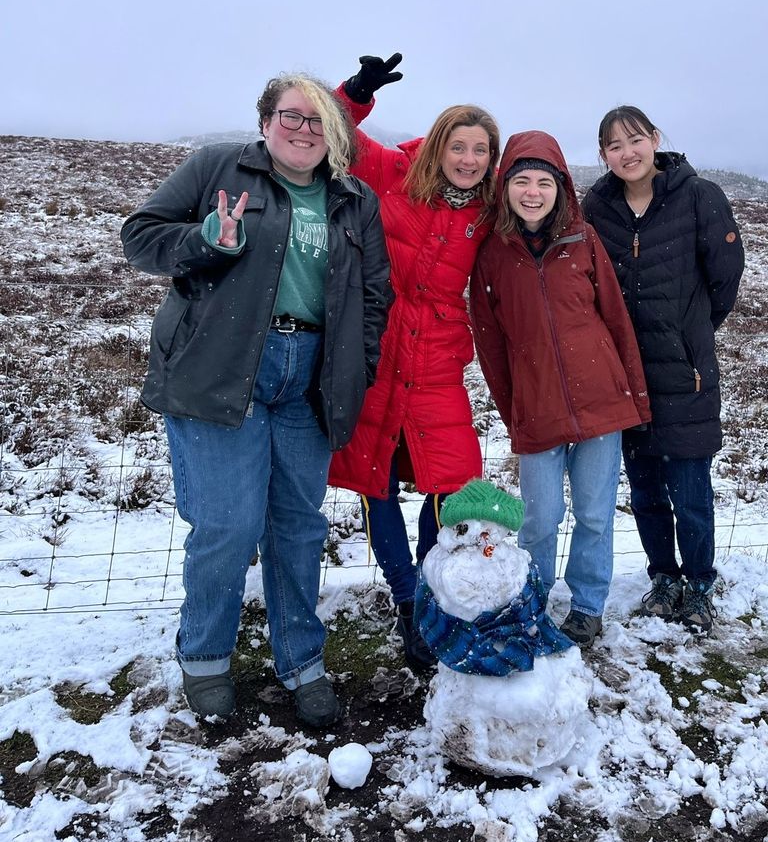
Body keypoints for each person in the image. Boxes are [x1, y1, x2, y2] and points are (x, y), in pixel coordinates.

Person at [121, 73, 392, 725]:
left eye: (318, 119)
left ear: (336, 132)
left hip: (310, 378)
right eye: (291, 117)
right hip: (222, 368)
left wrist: (358, 364)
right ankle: (205, 656)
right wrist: (207, 243)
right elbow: (142, 236)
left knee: (299, 527)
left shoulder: (354, 199)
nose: (304, 129)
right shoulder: (218, 167)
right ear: (266, 120)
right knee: (229, 525)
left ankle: (302, 660)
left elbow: (375, 293)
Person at [328, 54, 501, 670]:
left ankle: (433, 591)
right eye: (459, 146)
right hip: (376, 345)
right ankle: (407, 598)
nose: (469, 159)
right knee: (374, 476)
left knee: (447, 482)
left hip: (437, 357)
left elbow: (543, 217)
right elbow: (335, 136)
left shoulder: (490, 210)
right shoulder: (396, 172)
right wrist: (353, 93)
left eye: (481, 150)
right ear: (438, 146)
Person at [469, 131, 651, 649]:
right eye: (521, 181)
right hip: (538, 406)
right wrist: (513, 411)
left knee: (595, 514)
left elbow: (616, 321)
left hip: (601, 401)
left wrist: (634, 399)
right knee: (540, 518)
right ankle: (533, 600)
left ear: (561, 187)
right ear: (505, 187)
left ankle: (589, 606)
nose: (532, 191)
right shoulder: (492, 256)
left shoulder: (583, 240)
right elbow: (492, 347)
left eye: (543, 181)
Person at [581, 106, 744, 636]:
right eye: (613, 145)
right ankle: (664, 578)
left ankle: (698, 585)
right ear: (603, 154)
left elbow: (724, 280)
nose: (626, 153)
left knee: (690, 494)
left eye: (634, 140)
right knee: (646, 492)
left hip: (684, 374)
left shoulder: (699, 197)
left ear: (654, 140)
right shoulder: (597, 207)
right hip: (623, 378)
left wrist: (689, 333)